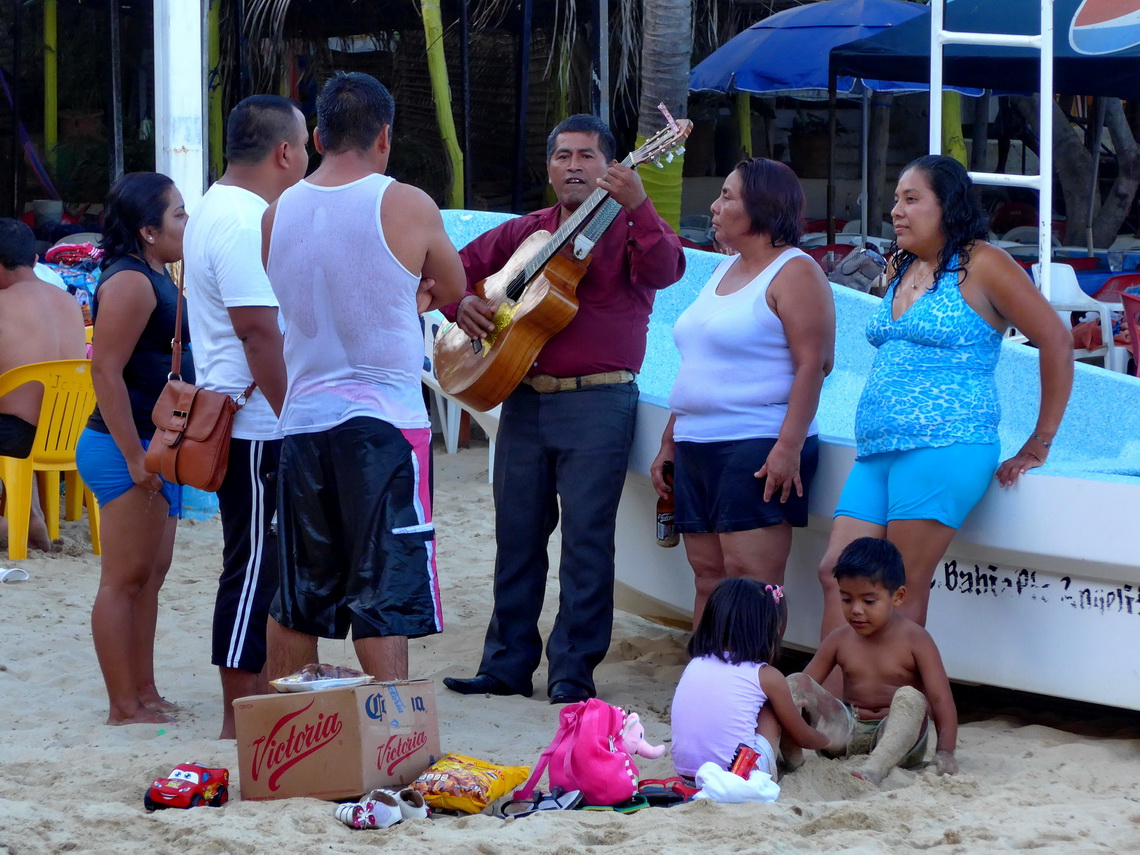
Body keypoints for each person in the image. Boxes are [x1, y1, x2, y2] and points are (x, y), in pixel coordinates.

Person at [442, 114, 686, 704]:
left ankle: (572, 674)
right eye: (562, 156)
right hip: (524, 399)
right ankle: (505, 667)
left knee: (585, 543)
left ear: (610, 167)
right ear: (549, 168)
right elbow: (450, 270)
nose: (573, 165)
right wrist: (462, 305)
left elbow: (668, 269)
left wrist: (640, 207)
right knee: (517, 537)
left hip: (600, 401)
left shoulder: (629, 227)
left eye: (586, 156)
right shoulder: (528, 231)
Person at [815, 155, 1073, 640]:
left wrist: (1040, 441)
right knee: (837, 572)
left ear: (948, 206)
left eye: (912, 199)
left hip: (944, 445)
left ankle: (890, 706)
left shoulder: (984, 264)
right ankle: (833, 705)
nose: (897, 211)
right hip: (878, 451)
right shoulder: (900, 266)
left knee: (899, 587)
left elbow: (1057, 341)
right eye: (896, 200)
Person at [262, 72, 465, 683]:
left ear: (318, 135)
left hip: (301, 419)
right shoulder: (404, 202)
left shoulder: (277, 212)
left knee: (299, 591)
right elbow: (452, 289)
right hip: (382, 420)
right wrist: (413, 294)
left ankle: (287, 735)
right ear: (385, 137)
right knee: (384, 588)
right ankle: (392, 733)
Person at [650, 158, 835, 629]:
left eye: (727, 196)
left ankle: (754, 693)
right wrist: (670, 441)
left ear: (761, 207)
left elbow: (814, 364)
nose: (714, 207)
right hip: (696, 445)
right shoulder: (724, 271)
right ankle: (706, 689)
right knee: (708, 577)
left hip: (756, 441)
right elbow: (700, 366)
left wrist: (788, 447)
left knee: (752, 582)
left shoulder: (795, 271)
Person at [183, 95, 308, 738]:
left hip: (255, 418)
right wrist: (297, 418)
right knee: (255, 565)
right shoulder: (241, 217)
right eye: (305, 146)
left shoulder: (216, 206)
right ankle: (238, 720)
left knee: (261, 563)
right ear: (285, 152)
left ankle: (255, 707)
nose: (309, 159)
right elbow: (259, 332)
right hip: (261, 426)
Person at [76, 173, 191, 724]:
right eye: (178, 216)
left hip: (152, 444)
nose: (186, 225)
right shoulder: (129, 281)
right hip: (125, 446)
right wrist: (131, 455)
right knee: (123, 580)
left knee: (150, 574)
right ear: (148, 230)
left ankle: (144, 690)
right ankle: (124, 704)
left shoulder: (154, 273)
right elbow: (105, 369)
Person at [790, 537, 958, 785]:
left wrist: (945, 751)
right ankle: (786, 756)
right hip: (846, 732)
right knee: (795, 682)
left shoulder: (916, 640)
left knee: (910, 698)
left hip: (898, 739)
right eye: (846, 599)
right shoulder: (839, 639)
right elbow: (806, 685)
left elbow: (940, 699)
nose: (856, 609)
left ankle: (875, 767)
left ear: (898, 596)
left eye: (869, 601)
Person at [670, 577, 844, 781]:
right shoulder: (766, 676)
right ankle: (790, 763)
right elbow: (802, 736)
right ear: (767, 632)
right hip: (739, 776)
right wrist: (828, 739)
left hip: (686, 773)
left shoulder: (695, 664)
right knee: (772, 707)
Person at [0, 218, 87, 551]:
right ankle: (33, 514)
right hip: (67, 435)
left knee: (13, 419)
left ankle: (10, 525)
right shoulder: (66, 302)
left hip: (16, 437)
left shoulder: (4, 305)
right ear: (34, 259)